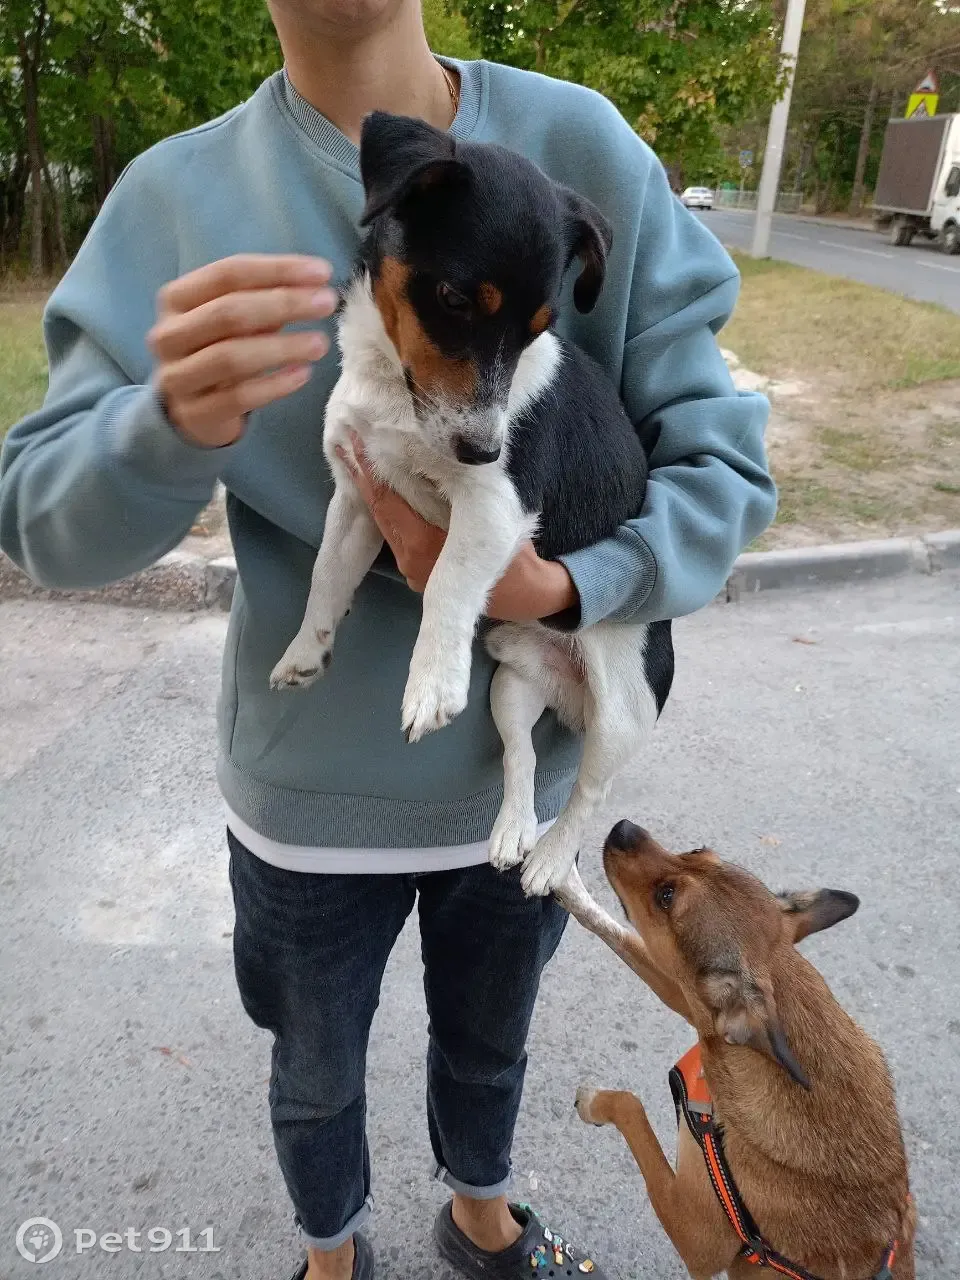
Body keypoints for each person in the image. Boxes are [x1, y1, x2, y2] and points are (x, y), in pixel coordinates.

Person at [0, 1, 777, 1276]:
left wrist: (569, 585)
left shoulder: (576, 148)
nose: (479, 399)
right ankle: (329, 1247)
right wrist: (158, 424)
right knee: (312, 1071)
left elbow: (724, 465)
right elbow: (40, 523)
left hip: (510, 797)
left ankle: (481, 1208)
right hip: (305, 799)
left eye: (509, 340)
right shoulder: (172, 197)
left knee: (491, 1043)